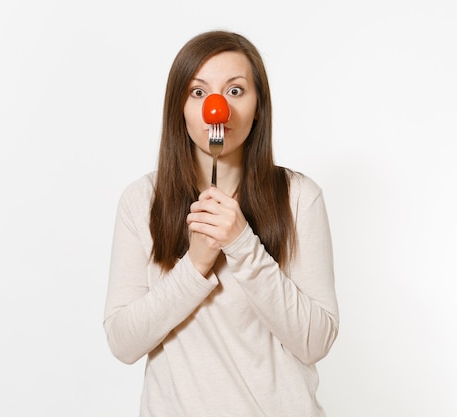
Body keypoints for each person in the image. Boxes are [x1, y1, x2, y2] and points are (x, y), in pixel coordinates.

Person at [103, 30, 339, 417]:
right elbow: (123, 342)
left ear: (258, 105)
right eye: (199, 92)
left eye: (235, 91)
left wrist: (242, 243)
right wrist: (194, 265)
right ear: (179, 107)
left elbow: (315, 341)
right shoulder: (142, 201)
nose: (217, 107)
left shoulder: (299, 197)